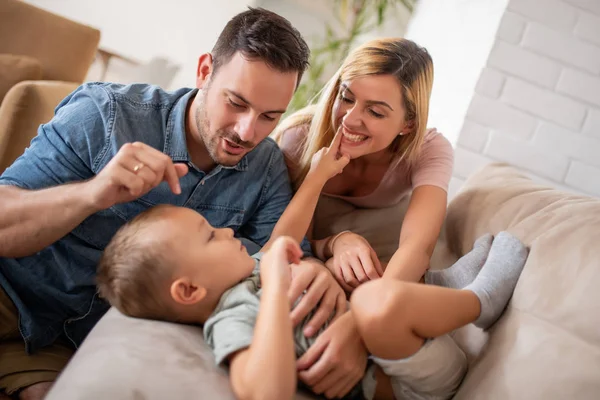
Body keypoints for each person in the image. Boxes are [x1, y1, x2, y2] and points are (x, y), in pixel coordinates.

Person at [0, 8, 347, 400]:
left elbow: (281, 258)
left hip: (70, 342)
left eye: (269, 116)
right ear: (204, 71)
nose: (247, 131)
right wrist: (91, 194)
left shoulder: (265, 168)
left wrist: (322, 267)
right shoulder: (107, 115)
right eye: (235, 103)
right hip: (10, 294)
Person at [96, 128, 528, 400]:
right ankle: (479, 301)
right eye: (210, 236)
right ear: (189, 291)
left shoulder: (243, 274)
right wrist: (274, 286)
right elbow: (265, 392)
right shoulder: (231, 317)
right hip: (405, 382)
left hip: (395, 347)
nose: (227, 232)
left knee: (358, 272)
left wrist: (319, 176)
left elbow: (284, 236)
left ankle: (442, 284)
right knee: (375, 303)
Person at [270, 37, 465, 398]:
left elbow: (418, 246)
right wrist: (337, 243)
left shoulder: (428, 150)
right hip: (320, 253)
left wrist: (361, 327)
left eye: (376, 112)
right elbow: (288, 243)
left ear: (408, 123)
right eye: (346, 97)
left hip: (382, 269)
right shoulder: (299, 139)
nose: (351, 119)